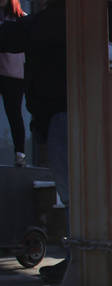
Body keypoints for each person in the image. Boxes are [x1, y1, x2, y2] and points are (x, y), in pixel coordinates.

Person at [0, 0, 67, 282]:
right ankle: (81, 257)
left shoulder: (53, 20)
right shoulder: (65, 20)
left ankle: (82, 258)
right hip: (68, 113)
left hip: (62, 115)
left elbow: (14, 36)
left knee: (72, 189)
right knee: (74, 190)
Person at [0, 0, 26, 166]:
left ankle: (20, 154)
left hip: (14, 74)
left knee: (14, 114)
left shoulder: (21, 18)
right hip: (9, 72)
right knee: (14, 114)